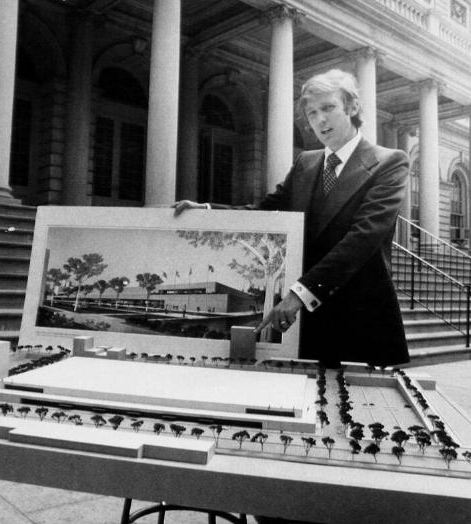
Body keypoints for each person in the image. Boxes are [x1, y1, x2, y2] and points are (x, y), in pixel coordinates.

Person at [175, 68, 409, 370]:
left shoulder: (389, 162)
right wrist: (206, 212)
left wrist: (299, 294)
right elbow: (266, 212)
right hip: (306, 326)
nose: (319, 120)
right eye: (312, 113)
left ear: (351, 107)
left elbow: (363, 237)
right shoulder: (305, 162)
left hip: (359, 322)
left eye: (328, 108)